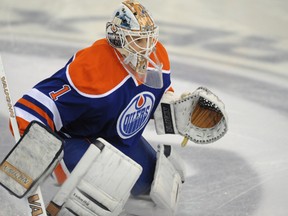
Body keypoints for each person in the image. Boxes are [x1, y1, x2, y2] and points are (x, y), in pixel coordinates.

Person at [10, 0, 227, 215]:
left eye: (149, 38)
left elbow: (153, 100)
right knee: (105, 191)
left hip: (114, 137)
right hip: (72, 140)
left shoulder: (157, 55)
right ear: (117, 37)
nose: (147, 47)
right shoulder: (92, 67)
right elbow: (28, 111)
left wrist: (177, 107)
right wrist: (32, 153)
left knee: (156, 189)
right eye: (138, 40)